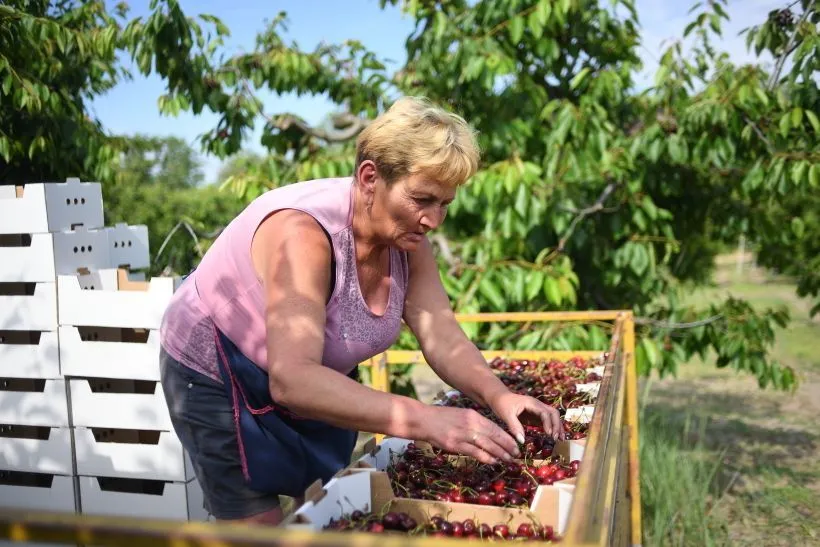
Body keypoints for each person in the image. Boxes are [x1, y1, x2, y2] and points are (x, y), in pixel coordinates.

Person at [158, 96, 565, 526]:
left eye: (445, 203)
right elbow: (293, 379)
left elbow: (441, 335)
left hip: (307, 374)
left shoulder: (408, 240)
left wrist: (498, 394)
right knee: (258, 528)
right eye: (422, 199)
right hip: (215, 369)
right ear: (370, 177)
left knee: (329, 508)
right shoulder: (305, 234)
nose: (434, 220)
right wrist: (426, 420)